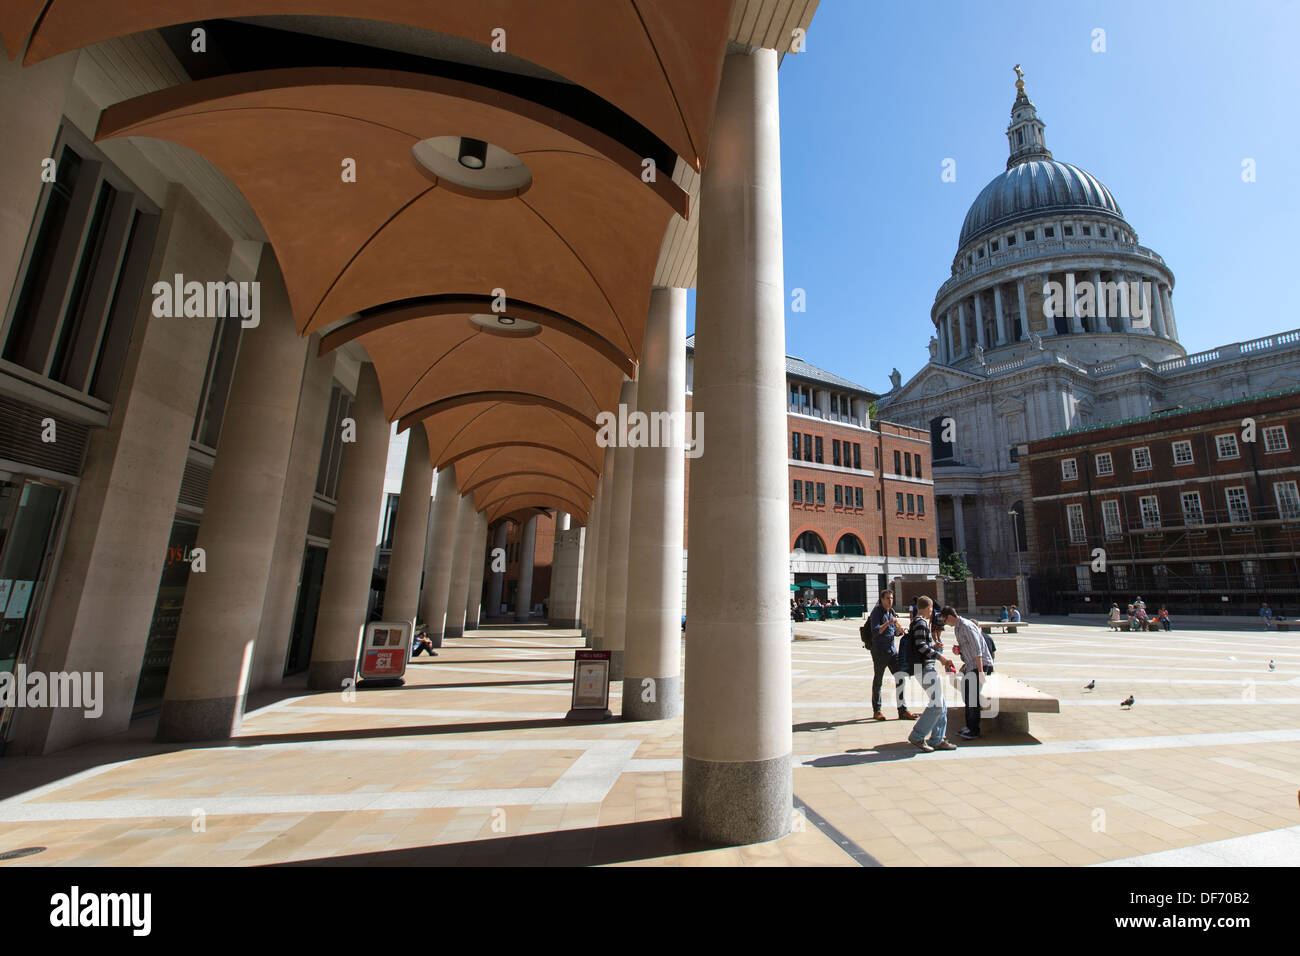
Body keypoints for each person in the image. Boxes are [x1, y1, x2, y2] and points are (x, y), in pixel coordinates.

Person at [903, 596, 957, 752]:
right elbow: (920, 646)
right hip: (925, 668)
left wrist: (934, 646)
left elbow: (923, 644)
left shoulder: (917, 622)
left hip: (925, 667)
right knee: (937, 705)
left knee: (941, 704)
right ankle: (917, 735)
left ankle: (937, 739)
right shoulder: (920, 622)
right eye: (932, 609)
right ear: (928, 608)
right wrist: (940, 657)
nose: (932, 612)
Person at [864, 590, 919, 722]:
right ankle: (877, 710)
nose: (890, 601)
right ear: (882, 599)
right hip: (879, 651)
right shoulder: (876, 612)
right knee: (878, 680)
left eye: (892, 598)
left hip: (892, 650)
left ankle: (903, 710)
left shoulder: (892, 612)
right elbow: (876, 631)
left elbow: (893, 631)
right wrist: (889, 623)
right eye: (887, 598)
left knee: (900, 678)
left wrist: (898, 631)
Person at [940, 605, 992, 740]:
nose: (945, 623)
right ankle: (969, 726)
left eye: (945, 620)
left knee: (972, 698)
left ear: (950, 617)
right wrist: (959, 650)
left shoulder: (967, 626)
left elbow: (977, 649)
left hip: (979, 665)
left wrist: (981, 672)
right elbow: (967, 648)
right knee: (968, 696)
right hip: (970, 665)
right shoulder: (957, 628)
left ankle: (974, 729)